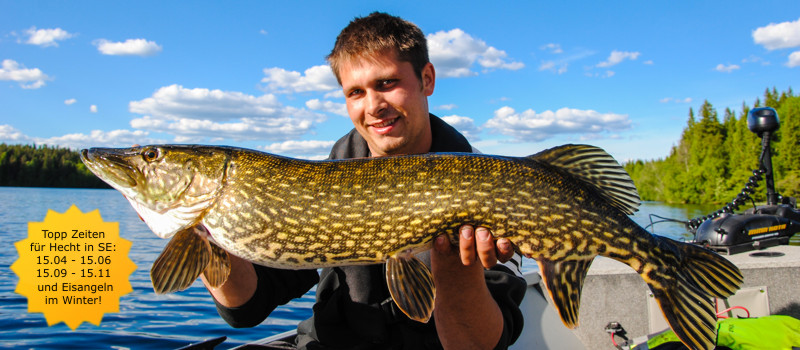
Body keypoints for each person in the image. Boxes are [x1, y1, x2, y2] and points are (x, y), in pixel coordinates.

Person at [203, 12, 527, 349]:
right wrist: (202, 232)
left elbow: (480, 345)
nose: (373, 106)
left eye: (387, 83)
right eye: (356, 92)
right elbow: (247, 307)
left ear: (427, 78)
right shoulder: (329, 177)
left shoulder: (493, 184)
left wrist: (457, 271)